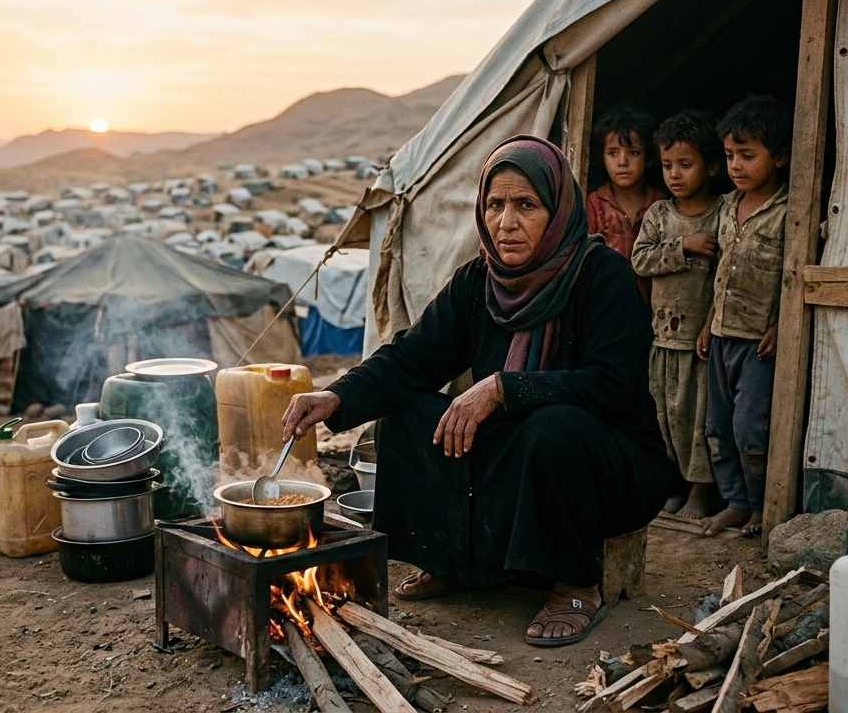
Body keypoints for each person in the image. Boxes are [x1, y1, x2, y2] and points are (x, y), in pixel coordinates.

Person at [282, 135, 675, 647]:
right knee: (407, 412)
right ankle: (449, 561)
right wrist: (337, 397)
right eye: (495, 204)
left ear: (557, 210)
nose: (506, 222)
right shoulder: (479, 281)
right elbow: (412, 357)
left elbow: (612, 385)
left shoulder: (603, 276)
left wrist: (504, 388)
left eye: (526, 205)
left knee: (553, 428)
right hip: (516, 451)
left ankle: (575, 585)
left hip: (608, 462)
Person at [700, 96, 792, 538]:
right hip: (720, 335)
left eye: (748, 155)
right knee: (717, 427)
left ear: (779, 157)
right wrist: (706, 323)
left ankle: (759, 506)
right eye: (730, 156)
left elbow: (792, 275)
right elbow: (719, 274)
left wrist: (781, 325)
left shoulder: (791, 211)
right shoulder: (725, 206)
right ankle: (735, 502)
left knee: (750, 428)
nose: (736, 165)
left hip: (758, 341)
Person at [631, 110, 724, 521]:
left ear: (711, 166)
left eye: (685, 165)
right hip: (661, 339)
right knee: (665, 418)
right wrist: (683, 246)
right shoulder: (658, 215)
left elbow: (729, 279)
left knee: (700, 421)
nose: (674, 175)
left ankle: (702, 492)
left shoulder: (724, 214)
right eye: (667, 165)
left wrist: (710, 326)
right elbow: (639, 260)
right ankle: (674, 485)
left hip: (700, 343)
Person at [584, 107, 661, 303]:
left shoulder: (661, 204)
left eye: (633, 152)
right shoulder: (592, 205)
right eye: (612, 153)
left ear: (649, 157)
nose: (622, 162)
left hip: (654, 310)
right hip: (606, 305)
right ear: (602, 157)